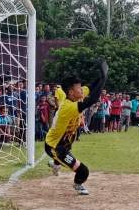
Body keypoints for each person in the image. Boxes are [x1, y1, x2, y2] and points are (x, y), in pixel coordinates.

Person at [45, 59, 108, 195]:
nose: (82, 90)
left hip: (65, 143)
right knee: (83, 170)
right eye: (79, 88)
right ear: (71, 92)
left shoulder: (75, 95)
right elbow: (92, 99)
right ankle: (77, 184)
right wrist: (104, 79)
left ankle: (55, 164)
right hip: (54, 147)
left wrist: (101, 75)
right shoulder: (68, 106)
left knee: (63, 155)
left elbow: (91, 87)